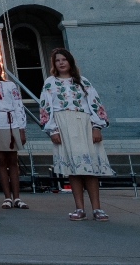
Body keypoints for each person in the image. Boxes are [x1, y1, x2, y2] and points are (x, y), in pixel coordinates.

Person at [39, 47, 113, 221]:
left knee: (90, 168)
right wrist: (53, 130)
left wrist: (97, 127)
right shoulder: (50, 82)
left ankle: (97, 208)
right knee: (74, 168)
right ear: (54, 64)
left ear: (70, 61)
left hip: (84, 123)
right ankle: (79, 208)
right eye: (57, 60)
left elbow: (94, 102)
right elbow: (45, 107)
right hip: (63, 125)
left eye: (64, 59)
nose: (61, 63)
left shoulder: (82, 81)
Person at [0, 56, 29, 209]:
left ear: (0, 68)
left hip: (11, 123)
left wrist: (21, 128)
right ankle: (7, 197)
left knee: (13, 161)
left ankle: (17, 197)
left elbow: (18, 106)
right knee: (1, 161)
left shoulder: (10, 85)